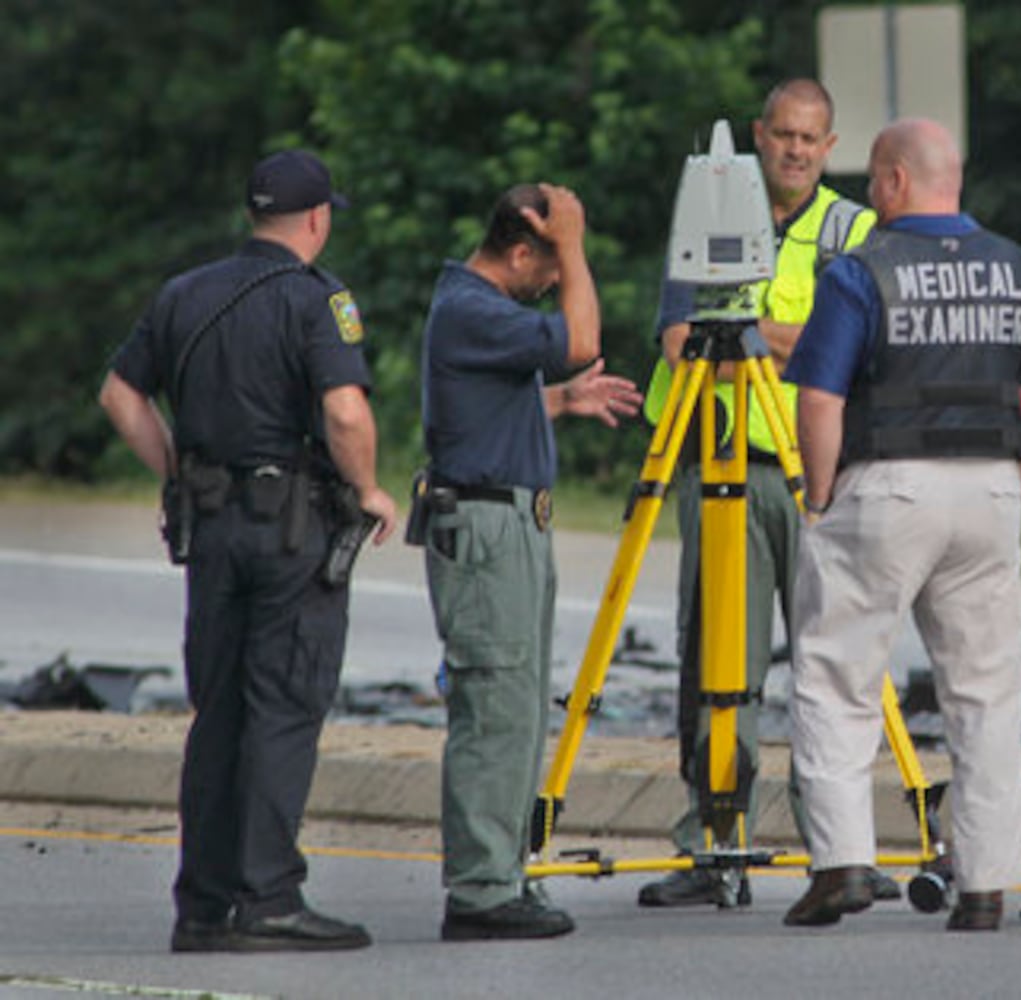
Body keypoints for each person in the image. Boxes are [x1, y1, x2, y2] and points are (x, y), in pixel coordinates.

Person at [782, 117, 1021, 932]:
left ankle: (842, 863)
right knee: (985, 695)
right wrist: (1017, 478)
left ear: (891, 181)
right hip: (986, 493)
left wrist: (819, 493)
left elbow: (819, 396)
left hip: (885, 488)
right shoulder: (1015, 266)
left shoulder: (860, 271)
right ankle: (984, 885)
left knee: (835, 676)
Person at [99, 149, 400, 953]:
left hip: (211, 525)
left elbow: (119, 393)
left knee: (220, 713)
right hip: (290, 528)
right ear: (315, 218)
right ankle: (267, 899)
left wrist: (179, 469)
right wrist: (369, 489)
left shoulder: (182, 293)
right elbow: (343, 412)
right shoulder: (317, 298)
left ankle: (201, 907)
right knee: (282, 709)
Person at [636, 78, 886, 908]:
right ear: (757, 134)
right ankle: (712, 849)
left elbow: (866, 346)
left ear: (829, 144)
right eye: (781, 134)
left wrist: (749, 334)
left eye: (809, 139)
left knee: (833, 667)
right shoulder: (710, 211)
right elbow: (680, 343)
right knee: (718, 671)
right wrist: (799, 338)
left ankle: (841, 850)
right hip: (720, 469)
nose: (793, 150)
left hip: (817, 474)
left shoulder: (853, 230)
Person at [419, 182, 641, 942]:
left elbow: (480, 404)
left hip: (507, 523)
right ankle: (480, 890)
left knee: (515, 704)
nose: (554, 280)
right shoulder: (472, 307)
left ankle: (498, 875)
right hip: (485, 529)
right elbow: (579, 338)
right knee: (495, 707)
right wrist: (573, 244)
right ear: (521, 251)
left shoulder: (477, 314)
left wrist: (559, 402)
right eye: (548, 267)